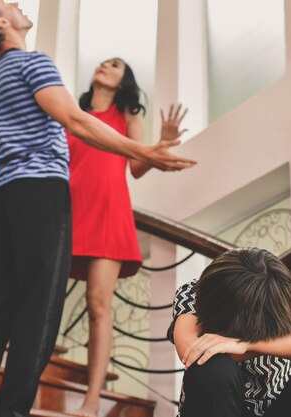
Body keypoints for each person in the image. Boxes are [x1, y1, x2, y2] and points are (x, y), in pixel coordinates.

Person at [0, 2, 196, 417]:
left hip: (3, 197)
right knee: (38, 310)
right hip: (41, 194)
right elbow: (74, 121)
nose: (18, 4)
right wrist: (144, 149)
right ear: (2, 23)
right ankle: (9, 411)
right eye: (7, 3)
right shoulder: (34, 64)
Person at [66, 57, 189, 417]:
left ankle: (91, 402)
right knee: (41, 297)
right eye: (103, 62)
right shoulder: (73, 113)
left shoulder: (128, 116)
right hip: (68, 213)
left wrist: (161, 144)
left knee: (98, 306)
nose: (104, 66)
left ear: (124, 81)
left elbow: (136, 167)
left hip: (107, 214)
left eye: (115, 65)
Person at [168, 248, 291, 417]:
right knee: (212, 366)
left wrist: (246, 344)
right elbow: (191, 353)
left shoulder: (288, 296)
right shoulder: (195, 293)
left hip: (279, 408)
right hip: (218, 408)